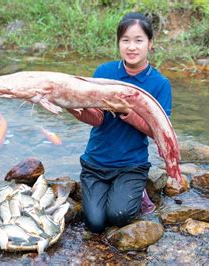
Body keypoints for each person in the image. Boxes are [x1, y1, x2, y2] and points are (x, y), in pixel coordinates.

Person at [67, 12, 174, 233]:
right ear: (118, 43)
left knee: (119, 216)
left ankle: (139, 192)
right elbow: (96, 119)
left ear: (150, 44)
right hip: (96, 163)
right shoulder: (104, 72)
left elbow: (158, 133)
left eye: (138, 40)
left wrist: (128, 112)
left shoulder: (159, 84)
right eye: (125, 40)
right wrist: (70, 106)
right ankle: (111, 192)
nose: (131, 47)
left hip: (131, 165)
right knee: (95, 224)